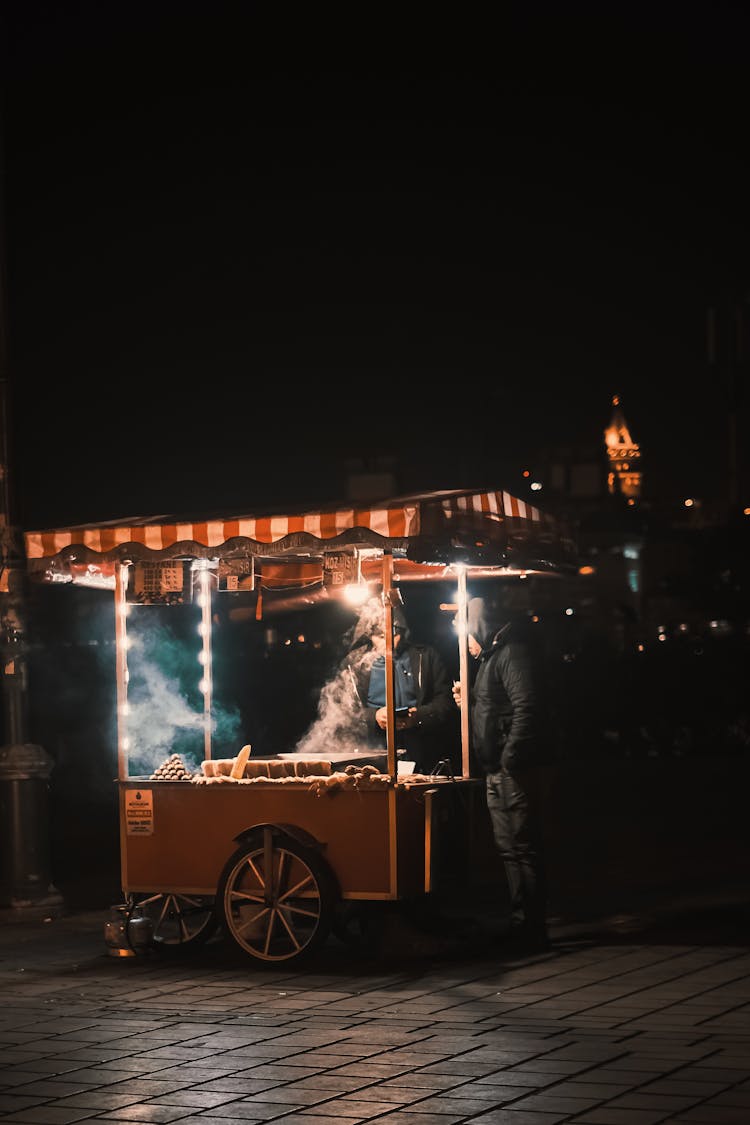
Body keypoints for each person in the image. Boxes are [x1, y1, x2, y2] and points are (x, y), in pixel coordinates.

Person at [452, 591, 551, 953]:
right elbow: (497, 706)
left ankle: (531, 927)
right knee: (509, 849)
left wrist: (510, 757)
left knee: (523, 847)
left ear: (479, 627)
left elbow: (527, 708)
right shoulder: (492, 657)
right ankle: (520, 921)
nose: (466, 646)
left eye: (467, 636)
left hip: (514, 769)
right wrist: (472, 700)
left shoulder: (512, 653)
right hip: (496, 767)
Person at [346, 603, 457, 775]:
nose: (389, 642)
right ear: (370, 636)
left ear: (404, 632)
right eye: (381, 636)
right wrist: (374, 716)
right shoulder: (357, 664)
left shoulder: (426, 656)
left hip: (421, 749)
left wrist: (417, 716)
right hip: (373, 751)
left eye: (395, 634)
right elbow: (347, 712)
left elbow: (445, 701)